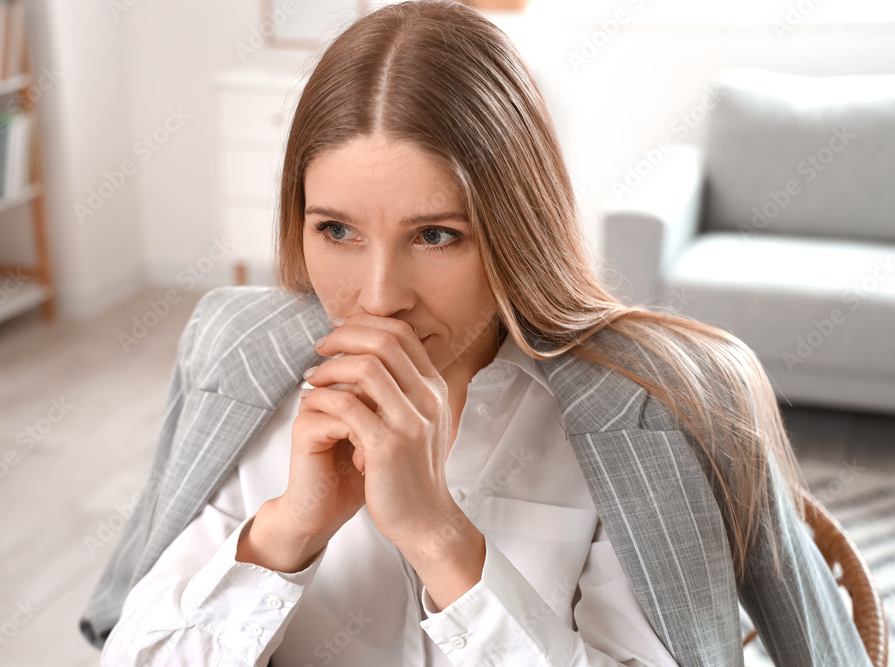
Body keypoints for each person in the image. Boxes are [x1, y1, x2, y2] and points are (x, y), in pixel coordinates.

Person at [80, 2, 874, 665]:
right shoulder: (243, 362)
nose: (379, 298)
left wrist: (438, 535)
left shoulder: (640, 414)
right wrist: (289, 528)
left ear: (514, 227)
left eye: (436, 236)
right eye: (337, 230)